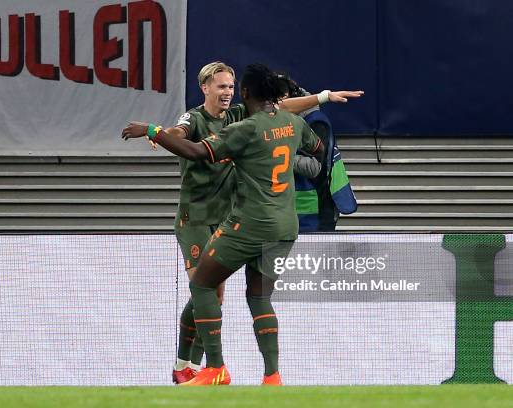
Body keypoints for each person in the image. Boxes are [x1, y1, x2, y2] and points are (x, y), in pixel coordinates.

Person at [122, 63, 325, 385]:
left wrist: (152, 131)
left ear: (243, 92)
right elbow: (182, 133)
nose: (227, 91)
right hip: (203, 218)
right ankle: (215, 367)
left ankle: (205, 367)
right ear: (205, 88)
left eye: (231, 86)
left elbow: (197, 150)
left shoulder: (241, 122)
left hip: (241, 221)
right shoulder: (198, 117)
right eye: (221, 86)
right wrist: (167, 134)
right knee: (234, 295)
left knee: (206, 289)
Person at [276, 75, 359, 231]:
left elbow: (314, 168)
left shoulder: (316, 122)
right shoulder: (274, 122)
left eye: (281, 98)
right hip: (289, 211)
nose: (277, 105)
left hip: (317, 210)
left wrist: (276, 154)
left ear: (293, 96)